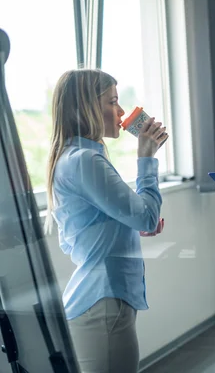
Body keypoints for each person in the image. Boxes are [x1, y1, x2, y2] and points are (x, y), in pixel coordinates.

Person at [45, 69, 167, 372]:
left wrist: (129, 224)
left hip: (102, 299)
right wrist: (147, 157)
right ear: (85, 107)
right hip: (102, 302)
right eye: (113, 101)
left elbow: (100, 224)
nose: (122, 112)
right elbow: (148, 218)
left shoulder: (77, 158)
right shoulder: (86, 161)